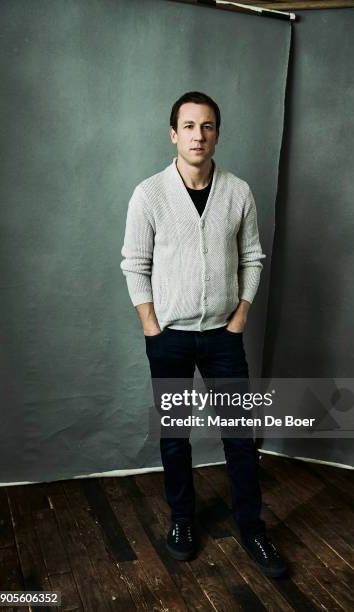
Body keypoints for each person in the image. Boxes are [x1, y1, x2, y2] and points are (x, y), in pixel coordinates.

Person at [120, 91, 287, 577]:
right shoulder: (149, 194)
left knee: (239, 436)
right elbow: (135, 264)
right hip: (168, 337)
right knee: (174, 436)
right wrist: (152, 328)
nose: (198, 135)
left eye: (208, 126)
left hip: (222, 338)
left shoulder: (238, 192)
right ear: (174, 134)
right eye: (189, 126)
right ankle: (182, 521)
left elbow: (252, 256)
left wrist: (238, 319)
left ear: (217, 133)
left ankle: (253, 530)